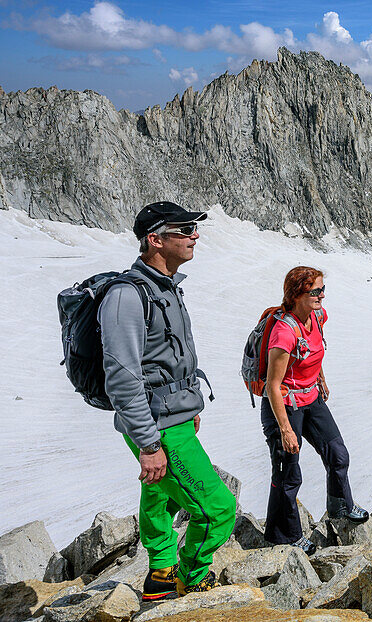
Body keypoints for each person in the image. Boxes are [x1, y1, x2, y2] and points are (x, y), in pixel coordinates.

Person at [98, 201, 236, 599]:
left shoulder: (165, 287)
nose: (195, 234)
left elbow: (168, 361)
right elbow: (122, 378)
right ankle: (193, 578)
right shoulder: (128, 296)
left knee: (158, 494)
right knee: (217, 509)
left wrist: (188, 405)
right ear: (155, 240)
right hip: (157, 426)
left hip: (171, 417)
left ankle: (160, 573)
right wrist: (149, 443)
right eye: (185, 229)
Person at [261, 266, 367, 552]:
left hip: (311, 397)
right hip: (284, 406)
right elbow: (272, 385)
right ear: (297, 295)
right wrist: (285, 429)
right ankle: (285, 536)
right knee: (287, 473)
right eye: (315, 291)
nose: (322, 295)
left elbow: (313, 351)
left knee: (338, 453)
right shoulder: (283, 333)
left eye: (322, 289)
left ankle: (340, 507)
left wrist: (320, 378)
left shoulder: (318, 316)